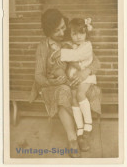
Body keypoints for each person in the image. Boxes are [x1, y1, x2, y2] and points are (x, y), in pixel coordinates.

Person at [29, 9, 101, 157]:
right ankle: (73, 138)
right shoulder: (43, 47)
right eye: (57, 31)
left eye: (63, 27)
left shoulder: (73, 37)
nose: (63, 33)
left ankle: (82, 133)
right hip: (52, 85)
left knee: (74, 90)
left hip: (74, 80)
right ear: (49, 32)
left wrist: (86, 71)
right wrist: (51, 81)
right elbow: (38, 75)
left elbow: (95, 61)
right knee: (64, 91)